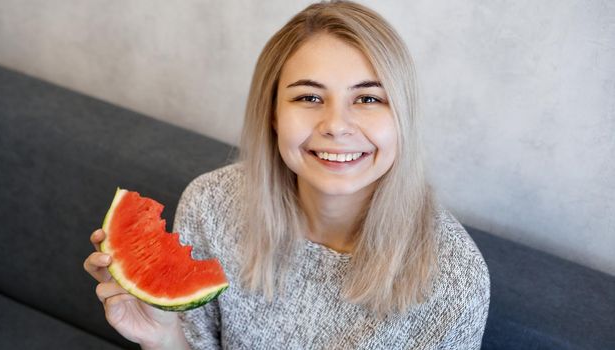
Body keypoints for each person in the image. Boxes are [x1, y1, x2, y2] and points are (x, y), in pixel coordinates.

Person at [84, 1, 490, 349]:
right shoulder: (211, 204)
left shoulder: (454, 279)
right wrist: (162, 338)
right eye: (309, 97)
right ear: (274, 115)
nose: (336, 124)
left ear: (402, 118)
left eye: (368, 98)